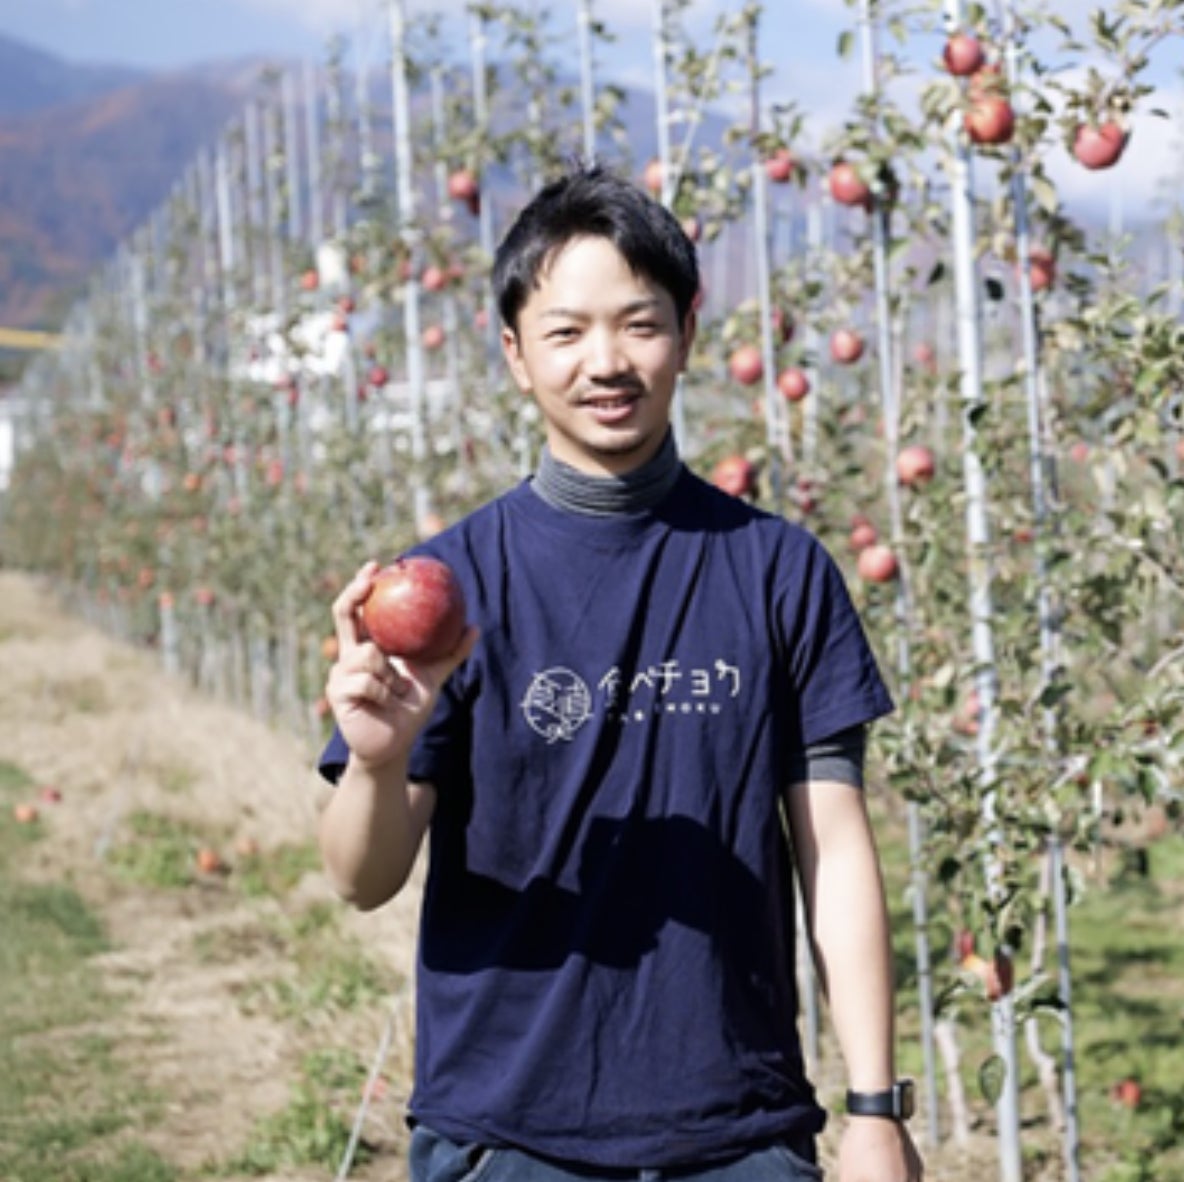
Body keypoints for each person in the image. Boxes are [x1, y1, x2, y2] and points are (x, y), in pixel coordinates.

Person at [317, 165, 923, 1182]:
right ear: (513, 355)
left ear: (686, 329)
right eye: (564, 332)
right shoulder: (450, 587)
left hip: (740, 1133)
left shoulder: (779, 571)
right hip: (506, 1137)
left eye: (637, 324)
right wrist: (381, 758)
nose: (605, 361)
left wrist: (873, 1108)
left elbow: (834, 850)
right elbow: (359, 878)